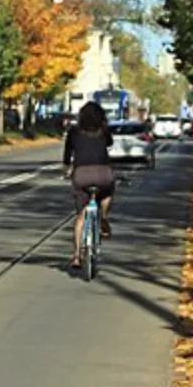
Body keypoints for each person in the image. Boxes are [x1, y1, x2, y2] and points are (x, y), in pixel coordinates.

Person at [63, 100, 116, 269]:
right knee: (107, 192)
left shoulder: (74, 132)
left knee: (80, 216)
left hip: (81, 175)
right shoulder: (103, 131)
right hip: (102, 173)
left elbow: (67, 154)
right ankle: (104, 218)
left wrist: (66, 169)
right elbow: (110, 143)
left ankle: (77, 255)